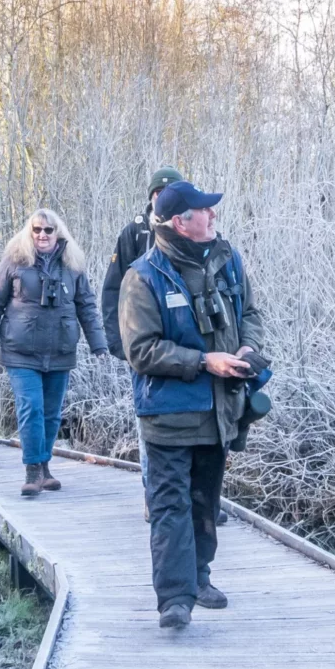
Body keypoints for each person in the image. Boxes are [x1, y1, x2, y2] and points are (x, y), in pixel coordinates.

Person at [118, 180, 267, 630]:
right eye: (204, 210)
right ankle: (174, 600)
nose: (213, 215)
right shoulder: (142, 276)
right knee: (169, 507)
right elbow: (141, 350)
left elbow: (253, 316)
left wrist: (246, 352)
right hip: (167, 415)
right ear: (182, 222)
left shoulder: (229, 261)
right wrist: (204, 361)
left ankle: (200, 579)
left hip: (220, 411)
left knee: (205, 503)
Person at [0, 208, 107, 497]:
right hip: (21, 351)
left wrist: (98, 343)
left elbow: (86, 304)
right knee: (31, 408)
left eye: (48, 230)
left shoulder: (72, 264)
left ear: (57, 232)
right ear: (29, 232)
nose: (42, 235)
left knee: (51, 414)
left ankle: (45, 464)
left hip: (60, 349)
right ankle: (32, 469)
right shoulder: (15, 260)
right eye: (37, 230)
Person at [101, 165, 186, 358]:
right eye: (158, 192)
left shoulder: (192, 230)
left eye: (171, 192)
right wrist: (117, 340)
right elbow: (113, 287)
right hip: (143, 336)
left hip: (184, 338)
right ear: (151, 197)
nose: (164, 196)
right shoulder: (135, 232)